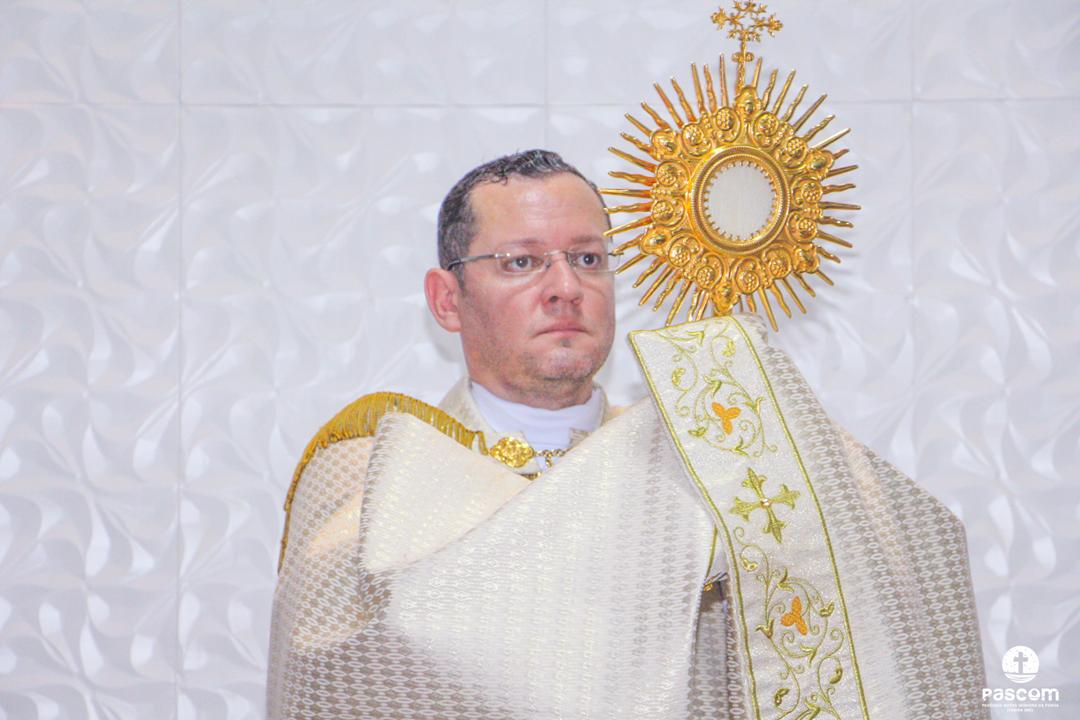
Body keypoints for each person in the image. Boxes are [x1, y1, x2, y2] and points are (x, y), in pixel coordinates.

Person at [266, 150, 989, 719]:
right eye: (522, 262)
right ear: (447, 299)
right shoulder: (371, 471)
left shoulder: (704, 460)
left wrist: (777, 457)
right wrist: (651, 545)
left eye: (588, 258)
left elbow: (891, 572)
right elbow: (350, 666)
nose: (565, 287)